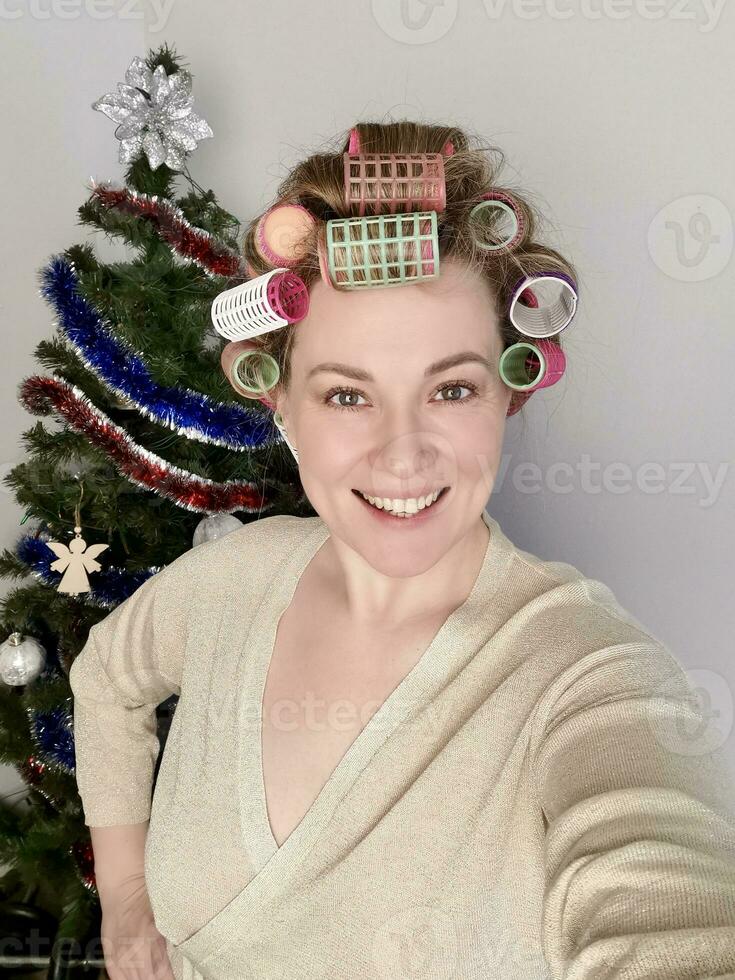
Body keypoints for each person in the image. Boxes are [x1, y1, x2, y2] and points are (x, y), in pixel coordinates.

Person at [70, 121, 735, 980]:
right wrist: (126, 897)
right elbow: (106, 680)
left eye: (452, 388)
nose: (403, 452)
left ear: (507, 394)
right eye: (347, 395)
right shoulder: (233, 578)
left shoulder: (585, 674)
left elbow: (663, 893)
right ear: (283, 410)